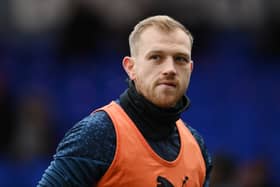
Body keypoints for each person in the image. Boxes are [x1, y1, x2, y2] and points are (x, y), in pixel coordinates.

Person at [38, 15, 212, 187]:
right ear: (131, 68)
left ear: (190, 69)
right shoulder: (99, 134)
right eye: (156, 57)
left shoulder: (196, 147)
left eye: (180, 59)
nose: (170, 69)